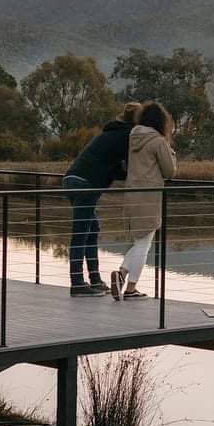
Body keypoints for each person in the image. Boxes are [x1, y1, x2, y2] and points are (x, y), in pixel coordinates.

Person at [62, 102, 142, 297]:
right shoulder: (127, 136)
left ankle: (95, 280)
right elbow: (129, 165)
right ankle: (77, 283)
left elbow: (113, 168)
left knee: (91, 228)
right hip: (85, 184)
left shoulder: (113, 132)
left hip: (74, 180)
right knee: (80, 233)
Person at [111, 102, 176, 300]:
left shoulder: (133, 136)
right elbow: (169, 171)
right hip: (148, 196)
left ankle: (121, 276)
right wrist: (171, 152)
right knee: (144, 243)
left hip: (131, 193)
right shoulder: (157, 141)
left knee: (140, 240)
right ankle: (130, 288)